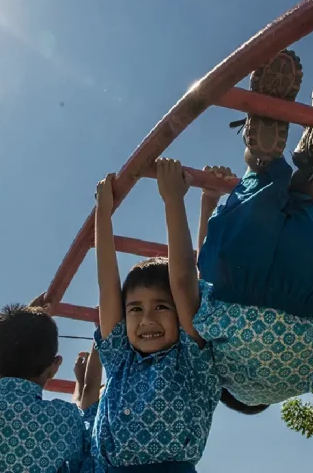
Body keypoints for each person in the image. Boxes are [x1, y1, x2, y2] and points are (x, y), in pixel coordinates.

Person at [160, 49, 313, 414]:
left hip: (308, 275)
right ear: (223, 388)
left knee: (305, 201)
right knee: (257, 190)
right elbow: (191, 277)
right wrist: (175, 201)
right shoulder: (212, 357)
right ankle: (262, 158)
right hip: (241, 272)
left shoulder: (308, 379)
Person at [90, 174, 221, 473]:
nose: (147, 319)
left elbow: (190, 282)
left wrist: (175, 200)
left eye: (161, 306)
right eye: (135, 309)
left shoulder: (190, 359)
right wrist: (104, 213)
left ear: (180, 312)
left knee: (198, 290)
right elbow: (107, 285)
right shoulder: (120, 359)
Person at [0, 294, 91, 473]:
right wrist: (82, 383)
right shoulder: (65, 418)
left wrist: (22, 318)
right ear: (54, 366)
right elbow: (82, 460)